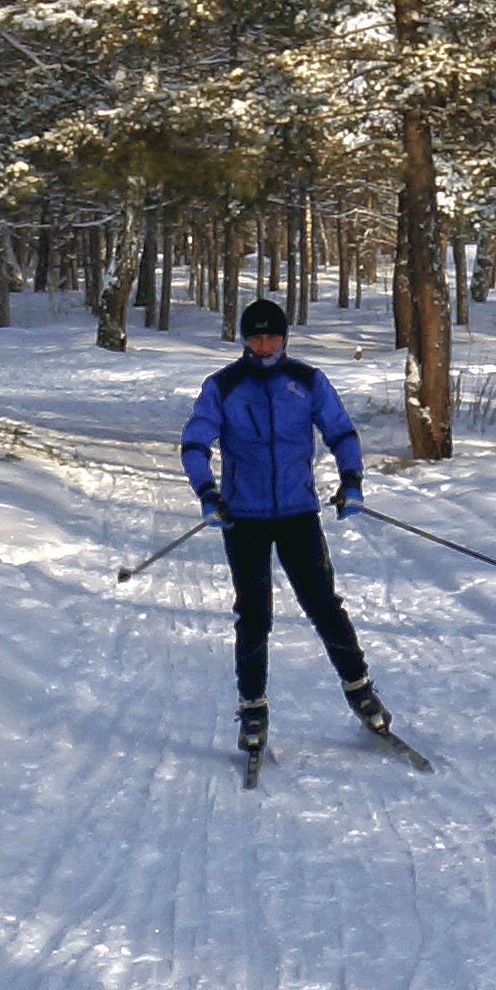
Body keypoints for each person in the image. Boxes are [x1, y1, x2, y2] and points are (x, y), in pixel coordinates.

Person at [180, 297, 391, 762]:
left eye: (271, 335)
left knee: (323, 604)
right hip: (244, 518)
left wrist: (351, 480)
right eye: (254, 336)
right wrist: (208, 493)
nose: (263, 344)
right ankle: (252, 707)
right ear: (243, 339)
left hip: (297, 512)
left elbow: (341, 432)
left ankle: (360, 690)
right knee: (254, 614)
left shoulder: (307, 381)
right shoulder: (224, 386)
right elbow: (195, 442)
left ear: (284, 337)